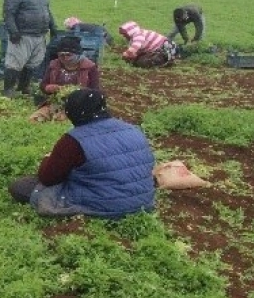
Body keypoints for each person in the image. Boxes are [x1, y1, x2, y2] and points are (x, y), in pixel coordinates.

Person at [8, 89, 156, 218]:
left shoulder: (73, 141)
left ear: (72, 112)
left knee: (21, 186)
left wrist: (47, 158)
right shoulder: (132, 129)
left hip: (106, 204)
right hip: (143, 202)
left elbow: (47, 178)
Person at [1, 0, 58, 98]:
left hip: (39, 35)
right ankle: (8, 89)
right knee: (15, 62)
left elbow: (47, 12)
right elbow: (8, 14)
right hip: (23, 34)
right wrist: (13, 32)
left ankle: (23, 87)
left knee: (33, 62)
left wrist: (53, 27)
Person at [31, 36, 101, 122]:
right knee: (34, 119)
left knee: (62, 121)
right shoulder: (54, 65)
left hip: (78, 106)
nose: (65, 58)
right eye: (61, 55)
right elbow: (43, 85)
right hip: (55, 103)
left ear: (78, 54)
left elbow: (95, 91)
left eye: (69, 55)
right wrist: (48, 87)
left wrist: (79, 92)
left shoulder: (89, 67)